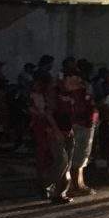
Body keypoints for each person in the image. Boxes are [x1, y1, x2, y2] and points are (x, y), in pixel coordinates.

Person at [29, 69, 70, 203]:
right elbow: (48, 113)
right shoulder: (51, 94)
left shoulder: (62, 94)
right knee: (60, 160)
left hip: (60, 129)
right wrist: (55, 129)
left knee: (60, 161)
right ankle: (47, 186)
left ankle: (54, 189)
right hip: (52, 130)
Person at [66, 72, 98, 195]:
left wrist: (93, 122)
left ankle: (78, 183)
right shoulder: (65, 95)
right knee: (73, 155)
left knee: (81, 155)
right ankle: (73, 184)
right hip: (73, 126)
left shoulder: (85, 94)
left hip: (85, 126)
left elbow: (93, 110)